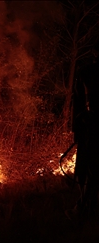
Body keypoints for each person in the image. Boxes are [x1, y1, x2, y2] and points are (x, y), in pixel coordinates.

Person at [71, 41, 99, 221]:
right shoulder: (85, 72)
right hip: (89, 127)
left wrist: (76, 129)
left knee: (88, 170)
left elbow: (78, 103)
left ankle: (84, 209)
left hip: (91, 129)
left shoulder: (86, 72)